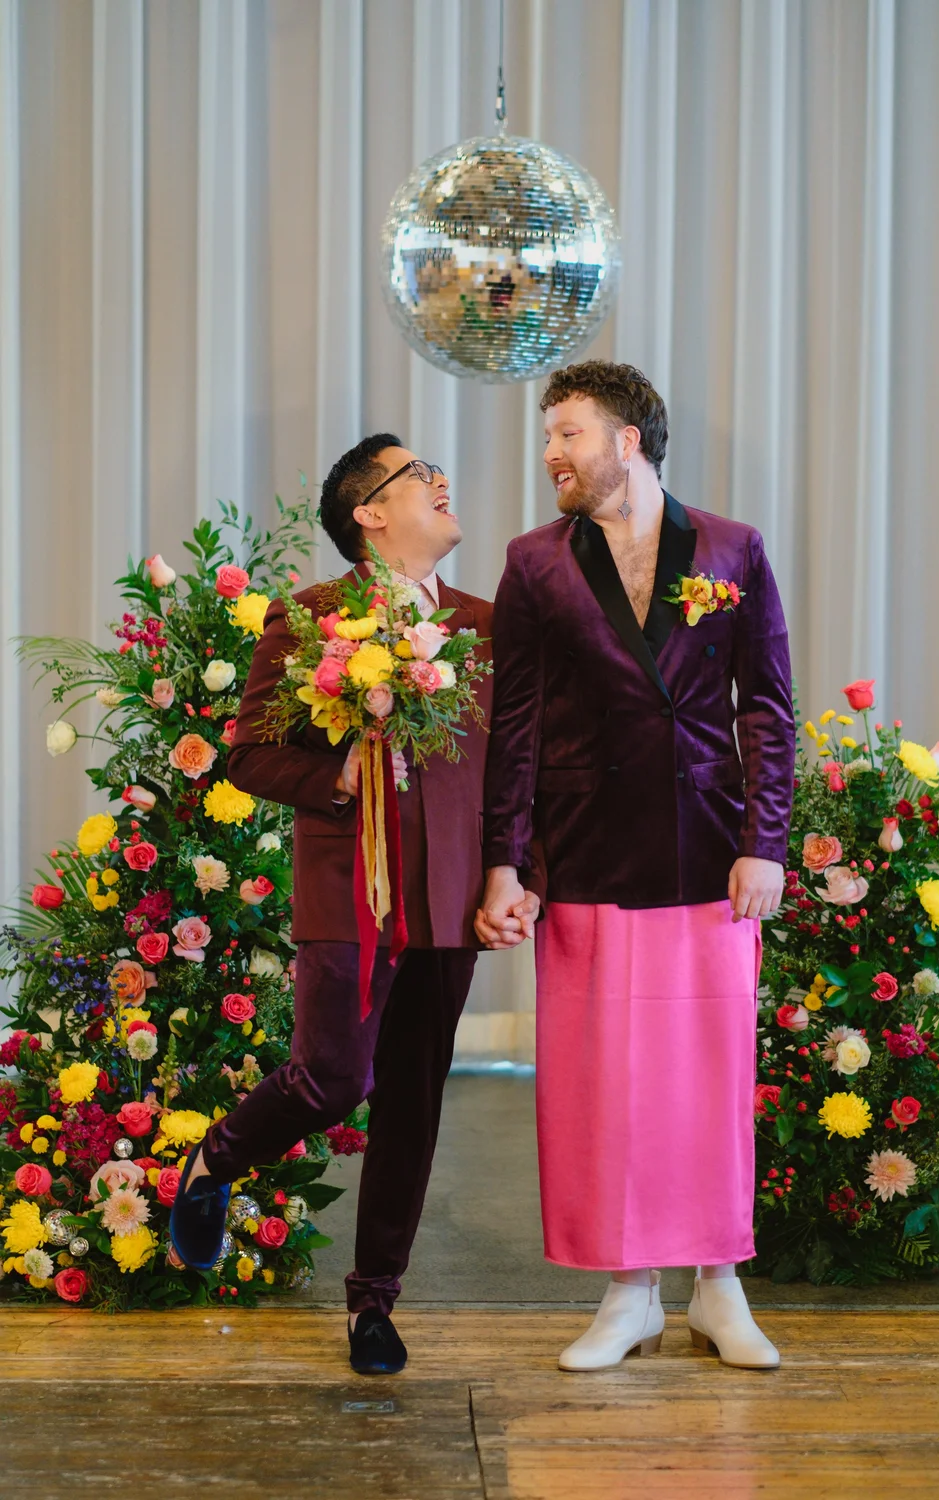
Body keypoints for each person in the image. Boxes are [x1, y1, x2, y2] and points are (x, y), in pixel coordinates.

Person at [476, 361, 795, 1372]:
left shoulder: (733, 548)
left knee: (706, 1073)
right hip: (583, 852)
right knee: (600, 1079)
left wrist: (767, 842)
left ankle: (717, 1287)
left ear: (626, 441)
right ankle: (628, 1292)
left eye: (567, 432)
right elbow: (512, 727)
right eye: (547, 434)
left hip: (708, 845)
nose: (550, 453)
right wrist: (504, 864)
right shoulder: (533, 563)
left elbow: (767, 707)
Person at [170, 436, 494, 1375]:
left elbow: (514, 770)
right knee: (334, 1078)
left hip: (448, 900)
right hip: (349, 889)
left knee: (413, 1102)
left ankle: (373, 1304)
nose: (441, 480)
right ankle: (218, 1159)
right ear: (369, 512)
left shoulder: (483, 624)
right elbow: (249, 756)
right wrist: (339, 774)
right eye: (418, 472)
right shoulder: (312, 617)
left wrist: (519, 874)